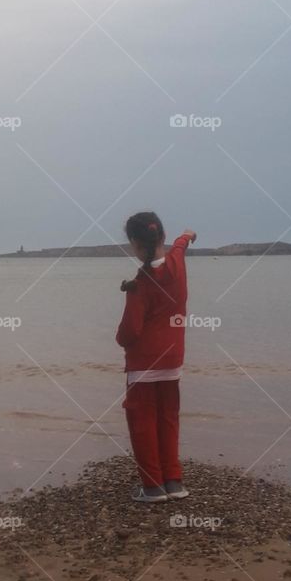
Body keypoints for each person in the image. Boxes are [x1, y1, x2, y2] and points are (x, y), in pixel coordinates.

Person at [115, 212, 196, 503]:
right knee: (168, 418)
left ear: (136, 244)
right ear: (161, 236)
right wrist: (187, 234)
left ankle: (152, 487)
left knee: (142, 422)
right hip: (173, 360)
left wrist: (119, 338)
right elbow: (182, 244)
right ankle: (173, 482)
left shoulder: (140, 284)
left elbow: (129, 333)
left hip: (143, 365)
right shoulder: (177, 263)